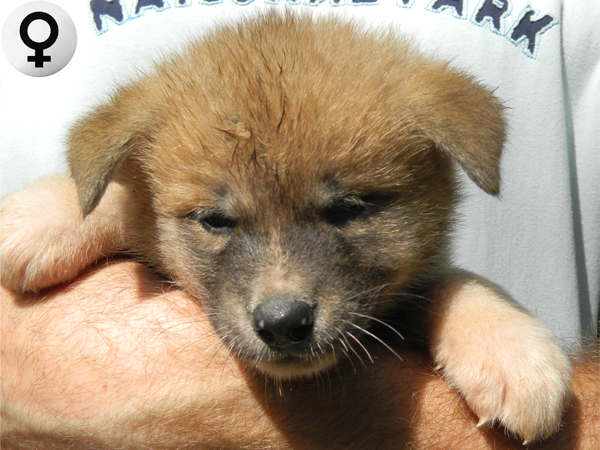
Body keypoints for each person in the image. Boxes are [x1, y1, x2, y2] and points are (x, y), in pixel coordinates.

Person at [1, 0, 598, 448]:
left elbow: (417, 295)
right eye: (217, 220)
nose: (280, 299)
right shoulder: (151, 178)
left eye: (346, 210)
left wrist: (461, 309)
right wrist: (102, 211)